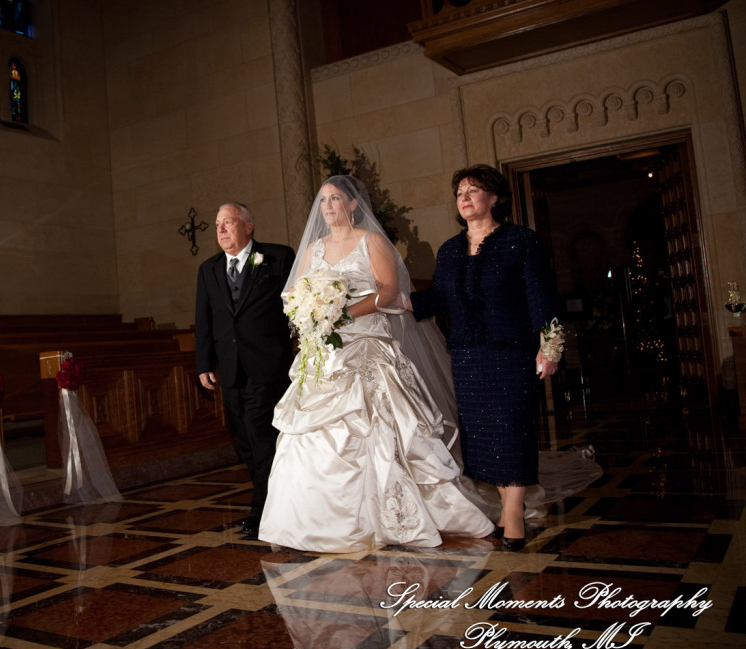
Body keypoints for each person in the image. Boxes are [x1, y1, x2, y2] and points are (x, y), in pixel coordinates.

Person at [258, 176, 494, 553]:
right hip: (325, 351)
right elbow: (296, 292)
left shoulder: (371, 241)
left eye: (336, 199)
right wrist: (309, 314)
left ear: (353, 205)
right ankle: (309, 523)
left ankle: (392, 518)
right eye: (323, 201)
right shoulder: (314, 248)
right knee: (306, 433)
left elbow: (387, 289)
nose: (329, 206)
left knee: (381, 426)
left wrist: (343, 314)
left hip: (367, 343)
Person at [408, 164, 561, 551]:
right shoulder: (450, 250)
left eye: (473, 190)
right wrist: (393, 301)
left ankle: (512, 514)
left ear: (494, 198)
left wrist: (550, 345)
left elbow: (541, 297)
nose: (465, 197)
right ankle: (508, 502)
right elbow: (438, 299)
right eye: (460, 191)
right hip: (468, 358)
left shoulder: (520, 241)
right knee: (484, 439)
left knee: (513, 431)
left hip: (511, 353)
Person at [196, 203, 295, 537]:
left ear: (248, 226)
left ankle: (262, 512)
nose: (221, 229)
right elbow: (205, 320)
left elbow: (296, 308)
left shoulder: (278, 257)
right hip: (231, 370)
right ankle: (269, 500)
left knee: (262, 435)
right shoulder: (208, 269)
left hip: (269, 365)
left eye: (229, 222)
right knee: (245, 441)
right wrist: (203, 363)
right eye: (217, 224)